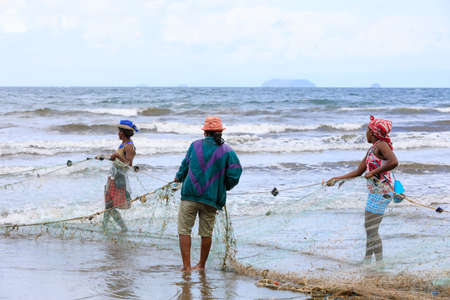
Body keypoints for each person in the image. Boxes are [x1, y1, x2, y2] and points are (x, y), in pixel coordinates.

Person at [174, 116, 242, 272]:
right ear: (220, 132)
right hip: (211, 198)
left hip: (190, 194)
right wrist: (225, 186)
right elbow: (236, 172)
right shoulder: (227, 151)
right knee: (206, 233)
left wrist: (178, 177)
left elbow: (185, 166)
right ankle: (201, 265)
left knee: (184, 230)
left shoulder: (194, 145)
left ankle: (186, 267)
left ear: (205, 132)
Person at [327, 116, 398, 264]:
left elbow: (394, 162)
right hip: (376, 192)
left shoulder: (382, 145)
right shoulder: (372, 149)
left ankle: (375, 263)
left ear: (372, 132)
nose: (365, 133)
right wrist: (337, 178)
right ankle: (370, 261)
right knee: (370, 229)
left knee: (371, 229)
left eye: (367, 130)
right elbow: (358, 171)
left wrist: (374, 172)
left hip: (383, 191)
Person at [103, 120, 138, 233]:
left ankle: (122, 228)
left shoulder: (129, 146)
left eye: (119, 131)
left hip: (119, 178)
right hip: (113, 176)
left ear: (123, 132)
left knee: (110, 206)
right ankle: (105, 226)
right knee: (108, 205)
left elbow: (129, 164)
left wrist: (117, 155)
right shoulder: (123, 144)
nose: (118, 133)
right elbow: (119, 159)